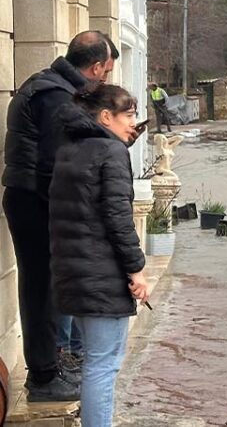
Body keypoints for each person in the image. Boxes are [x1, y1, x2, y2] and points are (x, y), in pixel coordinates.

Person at [1, 31, 118, 402]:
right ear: (96, 66)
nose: (106, 80)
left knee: (49, 287)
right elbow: (56, 163)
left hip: (35, 198)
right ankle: (43, 376)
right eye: (106, 72)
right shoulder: (54, 95)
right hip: (35, 201)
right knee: (40, 289)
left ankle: (51, 361)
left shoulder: (51, 87)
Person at [50, 85, 148, 427]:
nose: (133, 124)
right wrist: (136, 269)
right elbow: (118, 218)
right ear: (106, 116)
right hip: (101, 274)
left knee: (94, 361)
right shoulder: (110, 151)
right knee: (103, 364)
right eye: (130, 115)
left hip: (73, 270)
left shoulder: (69, 147)